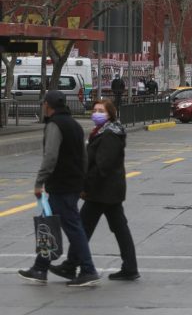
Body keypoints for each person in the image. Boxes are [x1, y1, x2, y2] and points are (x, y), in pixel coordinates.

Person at [49, 99, 140, 282]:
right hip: (107, 190)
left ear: (110, 115)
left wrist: (86, 187)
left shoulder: (109, 135)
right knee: (116, 228)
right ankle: (129, 267)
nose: (96, 113)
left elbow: (102, 165)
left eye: (102, 111)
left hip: (103, 190)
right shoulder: (101, 132)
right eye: (95, 109)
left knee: (84, 227)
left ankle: (72, 265)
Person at [18, 91, 100, 287]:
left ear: (49, 105)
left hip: (61, 184)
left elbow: (51, 156)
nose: (43, 107)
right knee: (51, 225)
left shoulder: (55, 125)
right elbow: (84, 157)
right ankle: (40, 267)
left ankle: (88, 269)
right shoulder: (75, 125)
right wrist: (83, 181)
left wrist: (40, 181)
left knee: (72, 227)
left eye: (44, 104)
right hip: (72, 183)